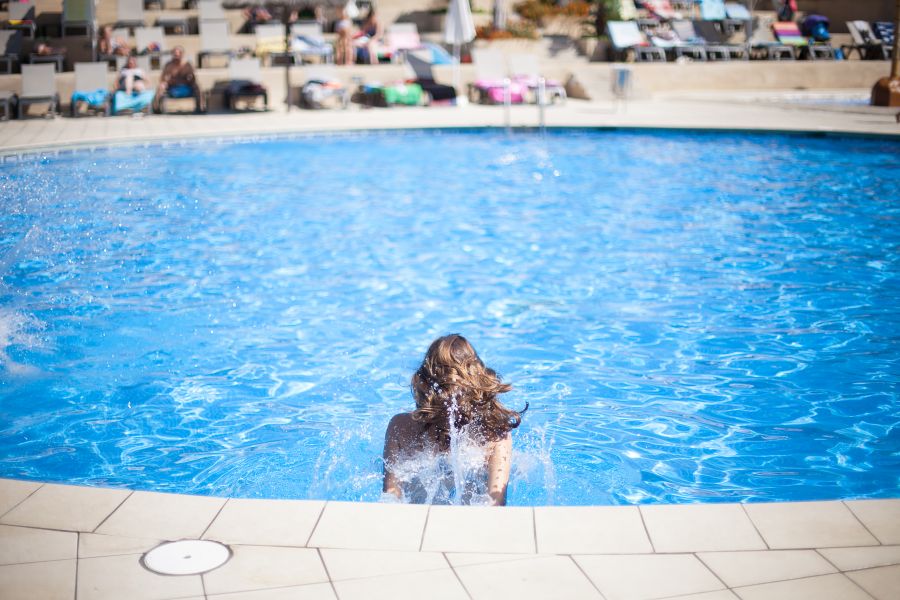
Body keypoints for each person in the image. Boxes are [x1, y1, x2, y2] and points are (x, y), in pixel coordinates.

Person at [383, 334, 525, 506]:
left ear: (425, 382)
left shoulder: (400, 427)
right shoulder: (495, 436)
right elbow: (495, 505)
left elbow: (390, 500)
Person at [154, 46, 204, 113]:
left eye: (179, 54)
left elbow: (193, 79)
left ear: (182, 54)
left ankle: (200, 107)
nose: (177, 56)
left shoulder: (187, 65)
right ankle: (156, 107)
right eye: (175, 54)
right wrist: (167, 80)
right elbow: (162, 79)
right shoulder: (169, 65)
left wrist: (189, 78)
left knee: (197, 85)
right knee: (161, 85)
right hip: (172, 88)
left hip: (186, 87)